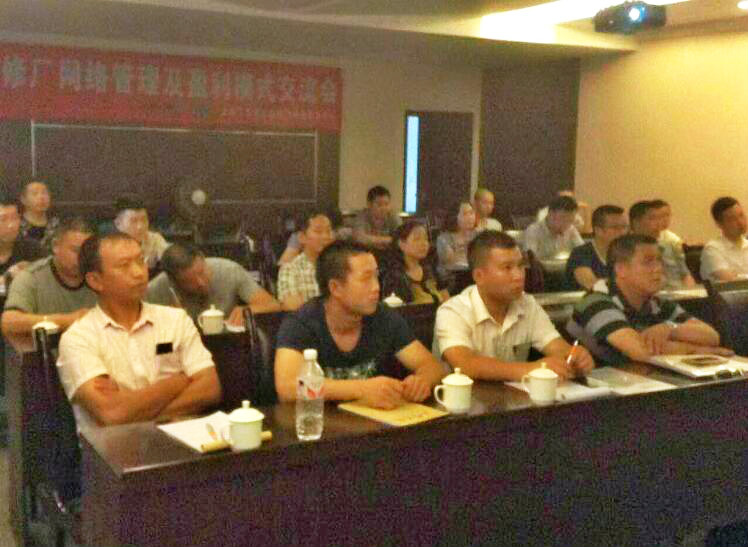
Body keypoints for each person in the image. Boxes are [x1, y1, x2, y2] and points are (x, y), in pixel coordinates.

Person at [57, 232, 222, 430]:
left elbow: (210, 388)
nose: (139, 273)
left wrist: (135, 410)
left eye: (140, 261)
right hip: (114, 447)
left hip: (182, 437)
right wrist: (177, 382)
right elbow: (112, 413)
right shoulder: (78, 338)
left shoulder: (175, 320)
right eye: (124, 265)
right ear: (95, 281)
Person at [274, 240, 444, 409]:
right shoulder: (301, 323)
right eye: (366, 279)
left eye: (376, 277)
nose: (376, 287)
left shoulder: (383, 316)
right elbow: (287, 387)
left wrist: (421, 382)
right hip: (321, 422)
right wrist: (362, 389)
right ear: (335, 287)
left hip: (376, 421)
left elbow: (432, 366)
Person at [435, 230, 595, 381]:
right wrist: (533, 369)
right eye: (507, 268)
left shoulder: (527, 304)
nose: (519, 276)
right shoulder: (453, 311)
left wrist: (575, 357)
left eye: (520, 266)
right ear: (479, 276)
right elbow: (465, 365)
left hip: (512, 397)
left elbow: (555, 345)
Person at [567, 234, 730, 365]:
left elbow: (712, 336)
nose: (658, 269)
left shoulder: (655, 302)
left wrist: (670, 328)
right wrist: (700, 351)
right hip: (591, 388)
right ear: (621, 269)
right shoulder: (596, 301)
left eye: (659, 261)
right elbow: (640, 351)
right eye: (648, 262)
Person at [2, 217, 96, 343]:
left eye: (87, 252)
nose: (82, 257)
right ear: (55, 246)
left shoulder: (99, 276)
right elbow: (9, 322)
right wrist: (67, 320)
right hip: (48, 353)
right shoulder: (32, 277)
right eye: (75, 250)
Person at [146, 243, 282, 325]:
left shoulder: (229, 270)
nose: (201, 283)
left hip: (228, 345)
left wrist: (248, 310)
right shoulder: (156, 288)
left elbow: (274, 305)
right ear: (174, 281)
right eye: (190, 281)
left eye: (202, 272)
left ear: (203, 259)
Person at [277, 211, 335, 311]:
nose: (326, 237)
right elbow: (291, 305)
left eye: (329, 231)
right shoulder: (290, 269)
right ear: (302, 237)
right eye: (318, 231)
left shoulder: (342, 265)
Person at [630, 200, 694, 289]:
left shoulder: (669, 242)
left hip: (679, 291)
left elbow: (685, 274)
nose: (658, 223)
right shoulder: (628, 248)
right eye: (652, 218)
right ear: (636, 222)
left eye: (659, 218)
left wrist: (689, 292)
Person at [380, 221, 448, 305]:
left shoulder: (431, 269)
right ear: (401, 244)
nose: (424, 243)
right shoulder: (394, 277)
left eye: (426, 239)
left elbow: (446, 299)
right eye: (417, 239)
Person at [565, 205, 628, 290]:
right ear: (598, 230)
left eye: (625, 227)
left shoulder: (628, 253)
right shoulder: (581, 253)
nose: (623, 232)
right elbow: (591, 284)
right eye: (615, 228)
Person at [113, 195, 169, 270]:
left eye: (144, 220)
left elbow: (170, 258)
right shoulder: (109, 247)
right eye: (133, 221)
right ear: (118, 224)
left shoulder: (154, 239)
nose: (140, 226)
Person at [700, 196, 748, 283]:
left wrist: (738, 275)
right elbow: (730, 280)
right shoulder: (712, 250)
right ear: (719, 224)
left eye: (741, 215)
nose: (740, 222)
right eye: (732, 219)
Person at [523, 195, 584, 260]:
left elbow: (583, 251)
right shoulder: (533, 231)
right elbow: (530, 259)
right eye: (563, 219)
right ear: (551, 214)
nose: (567, 225)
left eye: (570, 220)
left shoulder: (571, 229)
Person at [0, 194, 45, 280]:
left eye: (14, 218)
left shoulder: (33, 249)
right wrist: (7, 277)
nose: (11, 225)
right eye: (3, 219)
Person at [352, 186, 402, 250]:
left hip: (389, 252)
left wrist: (373, 240)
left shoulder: (393, 217)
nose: (383, 208)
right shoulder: (362, 216)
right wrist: (389, 240)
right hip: (366, 251)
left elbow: (401, 239)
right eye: (379, 205)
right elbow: (359, 237)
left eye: (386, 204)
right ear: (369, 205)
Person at [436, 201, 476, 274]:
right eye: (465, 214)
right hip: (452, 276)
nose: (470, 217)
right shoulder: (444, 239)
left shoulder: (477, 236)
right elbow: (451, 262)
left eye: (471, 213)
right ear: (454, 217)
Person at [19, 180, 60, 247]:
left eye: (44, 193)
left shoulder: (56, 224)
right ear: (23, 199)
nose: (41, 197)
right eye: (35, 194)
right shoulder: (17, 225)